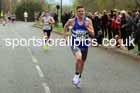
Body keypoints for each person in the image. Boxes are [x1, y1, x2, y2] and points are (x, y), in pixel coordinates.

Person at [63, 6, 94, 88]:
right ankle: (76, 75)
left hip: (84, 44)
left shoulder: (88, 21)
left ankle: (79, 78)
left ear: (84, 12)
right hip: (74, 44)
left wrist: (88, 28)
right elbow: (65, 27)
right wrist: (65, 37)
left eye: (82, 11)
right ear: (76, 12)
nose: (81, 13)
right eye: (79, 11)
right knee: (78, 58)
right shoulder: (72, 21)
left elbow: (93, 34)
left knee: (82, 62)